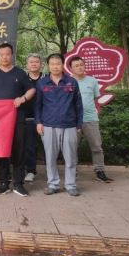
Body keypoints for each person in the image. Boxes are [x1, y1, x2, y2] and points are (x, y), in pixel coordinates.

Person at [0, 43, 36, 197]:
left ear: (12, 55)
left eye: (7, 54)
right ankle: (3, 182)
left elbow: (31, 89)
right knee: (2, 150)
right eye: (1, 55)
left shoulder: (20, 72)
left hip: (17, 117)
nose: (4, 57)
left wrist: (22, 98)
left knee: (19, 150)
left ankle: (18, 183)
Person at [36, 54, 83, 197]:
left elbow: (78, 104)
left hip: (69, 124)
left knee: (70, 157)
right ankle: (53, 184)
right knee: (50, 158)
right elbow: (37, 105)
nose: (55, 66)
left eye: (58, 63)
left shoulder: (71, 82)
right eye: (52, 64)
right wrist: (38, 122)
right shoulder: (42, 83)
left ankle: (70, 185)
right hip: (48, 125)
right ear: (48, 66)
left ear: (63, 65)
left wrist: (79, 123)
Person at [69, 56, 113, 183]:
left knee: (97, 146)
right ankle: (72, 173)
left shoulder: (92, 81)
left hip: (90, 119)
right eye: (76, 65)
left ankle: (100, 171)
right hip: (72, 120)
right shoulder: (67, 82)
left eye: (81, 65)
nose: (79, 67)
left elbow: (94, 98)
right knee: (72, 148)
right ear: (71, 68)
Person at [23, 53, 46, 183]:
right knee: (29, 147)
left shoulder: (47, 78)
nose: (34, 64)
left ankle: (51, 171)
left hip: (46, 119)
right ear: (27, 64)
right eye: (31, 62)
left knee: (48, 147)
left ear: (41, 64)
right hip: (28, 118)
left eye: (36, 62)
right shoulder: (22, 78)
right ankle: (31, 171)